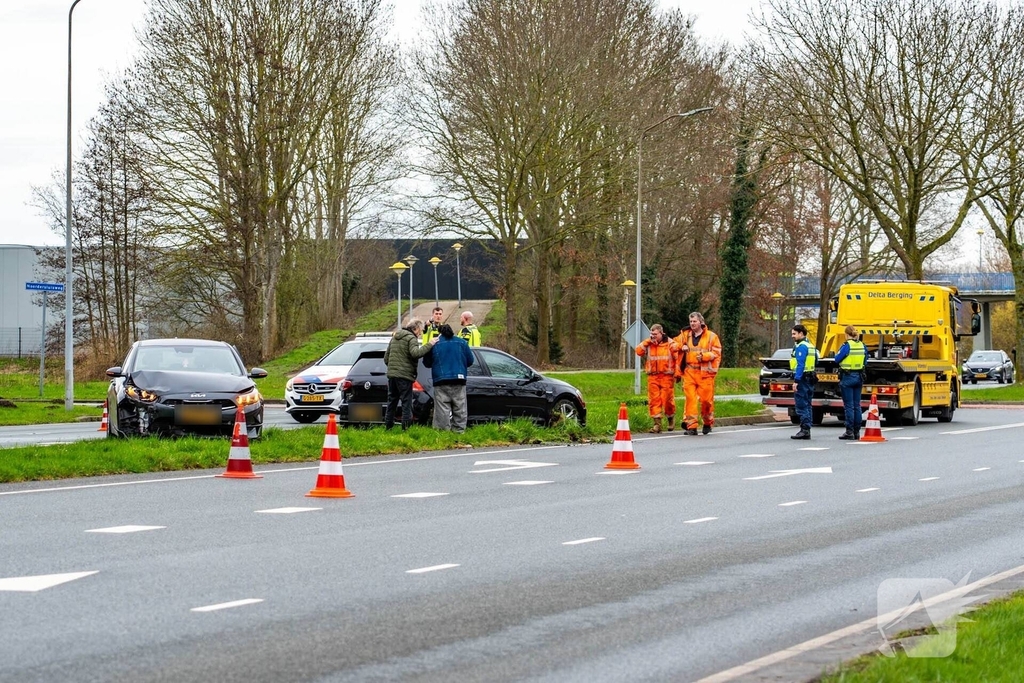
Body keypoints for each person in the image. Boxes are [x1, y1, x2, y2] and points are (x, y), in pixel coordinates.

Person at [673, 312, 722, 435]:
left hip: (705, 373)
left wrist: (704, 356)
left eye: (694, 321)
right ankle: (692, 426)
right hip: (689, 371)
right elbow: (672, 344)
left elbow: (716, 353)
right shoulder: (685, 335)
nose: (692, 324)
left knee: (706, 401)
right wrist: (681, 346)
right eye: (691, 322)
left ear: (701, 322)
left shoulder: (711, 336)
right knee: (690, 399)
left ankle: (707, 422)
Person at [423, 323, 474, 432]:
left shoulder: (434, 344)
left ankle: (443, 432)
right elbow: (470, 361)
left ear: (440, 332)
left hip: (440, 380)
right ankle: (459, 431)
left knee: (442, 409)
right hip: (459, 380)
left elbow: (426, 363)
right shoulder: (462, 342)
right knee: (460, 407)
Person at [383, 319, 432, 431]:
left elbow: (386, 358)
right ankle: (406, 429)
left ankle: (388, 427)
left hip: (392, 375)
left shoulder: (394, 338)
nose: (419, 334)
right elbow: (416, 353)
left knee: (392, 401)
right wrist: (429, 344)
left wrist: (393, 368)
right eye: (420, 332)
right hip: (404, 376)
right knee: (406, 402)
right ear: (416, 329)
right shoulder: (411, 338)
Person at [635, 324, 678, 433]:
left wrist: (678, 374)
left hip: (666, 376)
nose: (653, 336)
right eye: (651, 334)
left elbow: (678, 359)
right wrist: (647, 342)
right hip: (653, 376)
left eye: (655, 334)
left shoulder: (671, 344)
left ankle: (670, 418)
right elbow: (638, 351)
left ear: (661, 333)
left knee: (667, 400)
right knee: (654, 401)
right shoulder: (649, 343)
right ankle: (657, 424)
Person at [834, 324, 867, 440]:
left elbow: (837, 359)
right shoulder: (862, 345)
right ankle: (857, 431)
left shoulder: (847, 346)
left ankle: (849, 431)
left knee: (849, 406)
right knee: (857, 405)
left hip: (847, 377)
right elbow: (865, 360)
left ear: (846, 334)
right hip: (859, 376)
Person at [790, 323, 818, 440]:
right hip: (810, 377)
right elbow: (816, 361)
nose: (792, 336)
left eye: (794, 334)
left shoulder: (801, 346)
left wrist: (796, 380)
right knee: (808, 404)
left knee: (801, 404)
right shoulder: (811, 346)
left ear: (801, 333)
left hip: (802, 379)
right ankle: (807, 428)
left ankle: (805, 429)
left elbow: (800, 365)